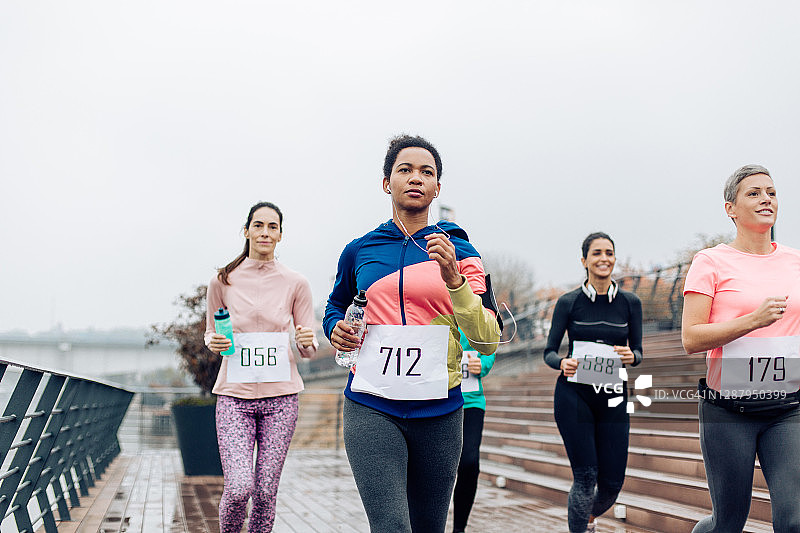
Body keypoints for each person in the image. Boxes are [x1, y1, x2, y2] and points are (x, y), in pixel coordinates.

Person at [323, 134, 501, 533]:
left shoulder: (462, 252)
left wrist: (454, 279)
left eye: (427, 172)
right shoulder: (360, 249)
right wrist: (335, 328)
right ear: (387, 182)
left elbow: (487, 338)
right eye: (405, 169)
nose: (416, 177)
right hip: (371, 405)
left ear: (438, 187)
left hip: (440, 410)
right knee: (391, 526)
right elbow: (334, 305)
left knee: (428, 527)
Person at [681, 165, 800, 533]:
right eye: (753, 193)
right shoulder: (711, 262)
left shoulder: (796, 262)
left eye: (771, 192)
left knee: (794, 519)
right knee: (728, 523)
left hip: (788, 408)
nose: (766, 198)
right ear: (731, 209)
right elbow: (691, 338)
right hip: (730, 411)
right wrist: (751, 320)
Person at [204, 201, 317, 533]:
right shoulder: (222, 281)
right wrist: (213, 341)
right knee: (239, 488)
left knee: (266, 493)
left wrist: (306, 339)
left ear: (280, 235)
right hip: (233, 398)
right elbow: (212, 332)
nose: (265, 232)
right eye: (259, 225)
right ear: (247, 230)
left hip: (281, 399)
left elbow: (308, 350)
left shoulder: (297, 283)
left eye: (272, 226)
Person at [543, 232, 643, 533]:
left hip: (612, 397)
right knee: (586, 476)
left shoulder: (630, 302)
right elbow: (548, 352)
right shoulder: (569, 302)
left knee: (612, 483)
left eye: (609, 253)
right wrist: (562, 362)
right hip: (575, 396)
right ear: (584, 260)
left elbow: (638, 352)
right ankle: (581, 527)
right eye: (597, 253)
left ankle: (586, 516)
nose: (604, 259)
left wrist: (631, 355)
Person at [452, 329, 495, 533]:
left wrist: (483, 364)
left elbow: (491, 338)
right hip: (438, 400)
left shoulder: (477, 301)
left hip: (471, 401)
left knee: (469, 463)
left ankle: (459, 528)